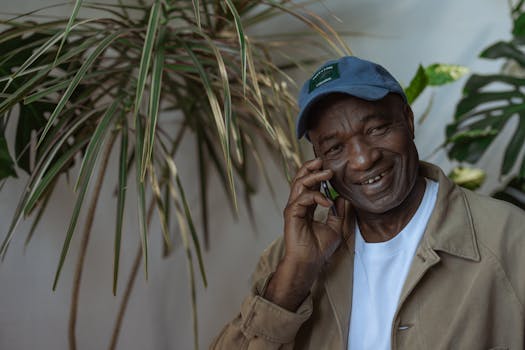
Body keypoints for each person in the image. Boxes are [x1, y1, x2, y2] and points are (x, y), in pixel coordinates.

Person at [210, 56, 525, 349]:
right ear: (317, 163)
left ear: (408, 121)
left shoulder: (508, 238)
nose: (362, 159)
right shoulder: (289, 258)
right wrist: (295, 278)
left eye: (377, 129)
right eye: (335, 148)